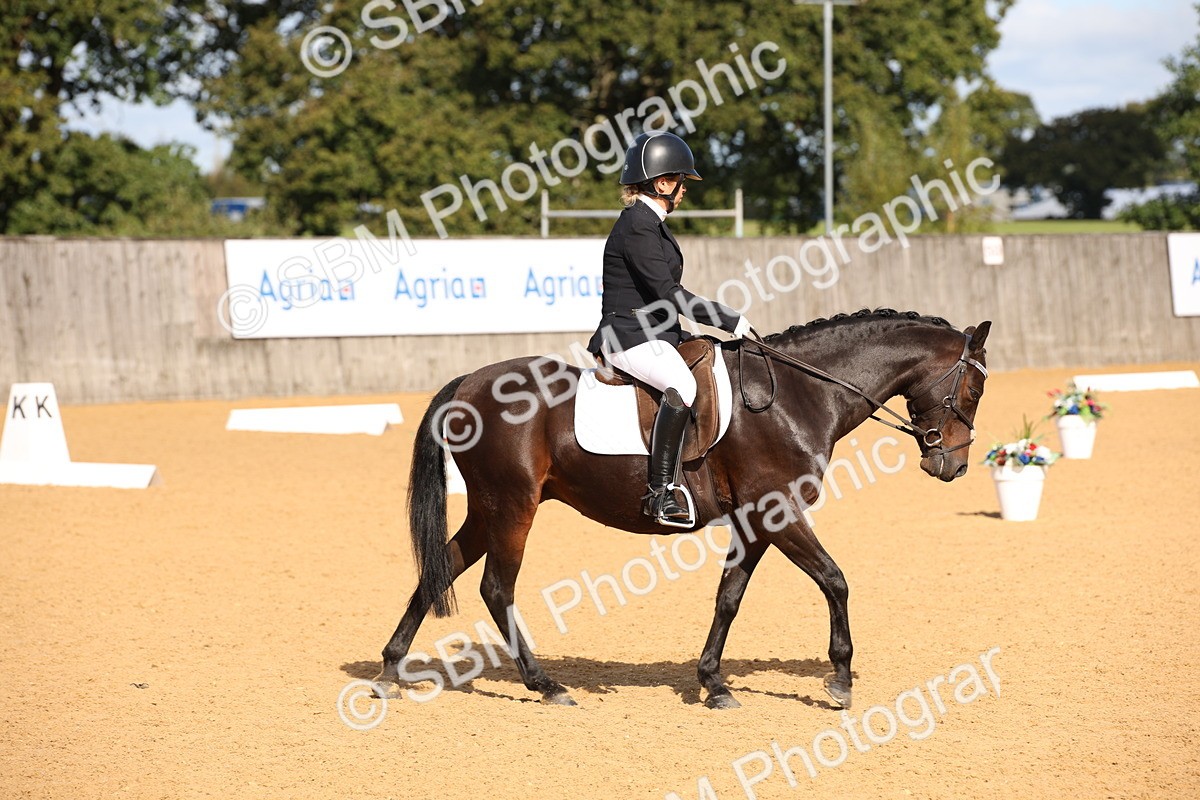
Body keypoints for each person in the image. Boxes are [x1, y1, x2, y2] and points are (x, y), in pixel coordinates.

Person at [586, 131, 754, 527]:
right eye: (680, 182)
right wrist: (731, 320)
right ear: (662, 182)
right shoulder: (638, 226)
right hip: (627, 335)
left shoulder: (651, 223)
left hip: (656, 333)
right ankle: (660, 492)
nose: (683, 190)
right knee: (684, 386)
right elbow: (668, 294)